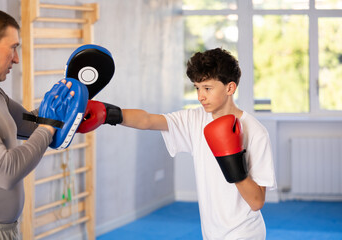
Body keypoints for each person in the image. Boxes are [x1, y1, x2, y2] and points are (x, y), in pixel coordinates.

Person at [78, 47, 277, 239]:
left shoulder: (255, 132)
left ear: (230, 87)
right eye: (197, 88)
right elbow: (148, 120)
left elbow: (257, 201)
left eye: (207, 88)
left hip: (244, 233)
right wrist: (107, 114)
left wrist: (232, 161)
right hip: (212, 232)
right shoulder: (195, 119)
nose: (201, 96)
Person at [0, 7, 75, 239]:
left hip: (4, 229)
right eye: (13, 47)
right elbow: (6, 170)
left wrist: (71, 100)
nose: (16, 58)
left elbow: (31, 123)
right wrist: (48, 127)